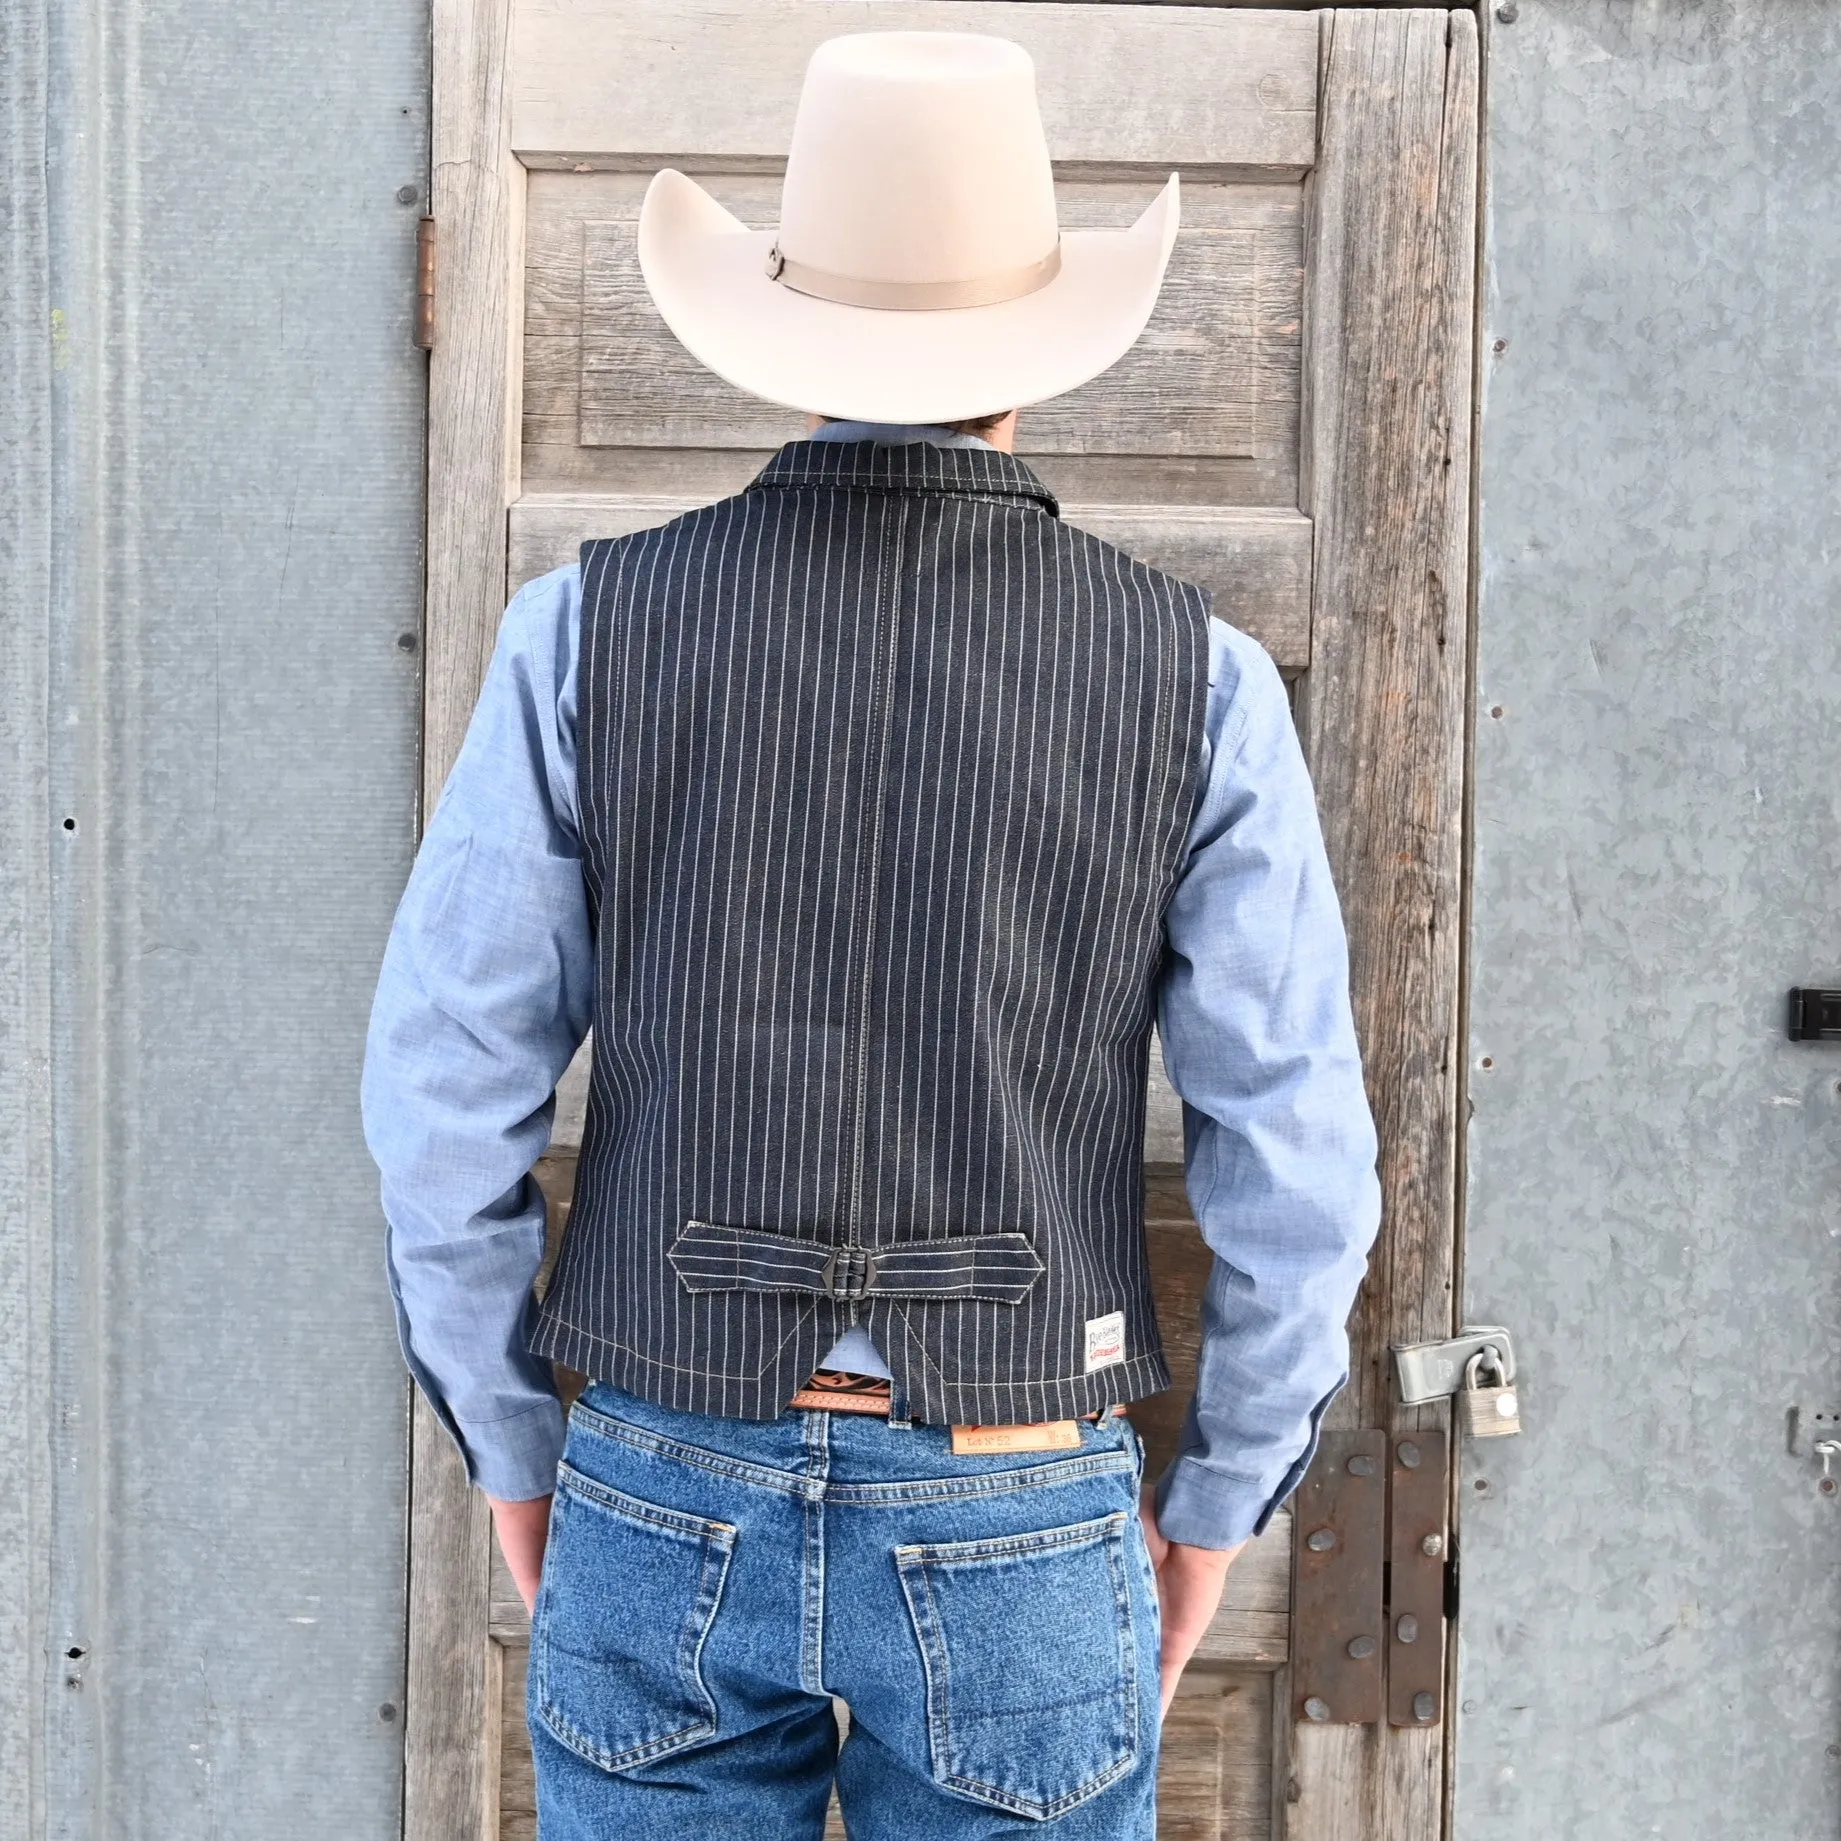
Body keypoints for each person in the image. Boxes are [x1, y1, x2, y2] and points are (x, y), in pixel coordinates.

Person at [363, 29, 1379, 1840]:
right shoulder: (1197, 682)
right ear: (1039, 343)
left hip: (659, 1472)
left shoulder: (586, 631)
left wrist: (519, 1452)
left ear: (790, 333)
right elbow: (1298, 1163)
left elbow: (445, 1098)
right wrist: (1218, 1504)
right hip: (1017, 1492)